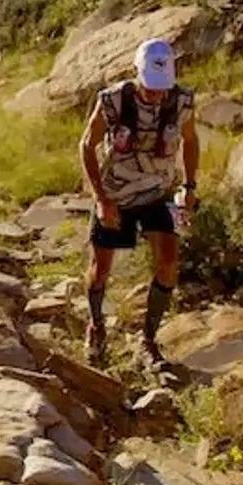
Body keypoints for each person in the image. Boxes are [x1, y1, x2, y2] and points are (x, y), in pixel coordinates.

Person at [79, 37, 198, 369]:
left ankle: (148, 339)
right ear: (137, 74)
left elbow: (190, 140)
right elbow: (86, 146)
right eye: (150, 88)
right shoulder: (112, 101)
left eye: (162, 88)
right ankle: (96, 324)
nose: (156, 94)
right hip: (116, 194)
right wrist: (101, 199)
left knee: (168, 263)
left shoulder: (182, 101)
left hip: (160, 193)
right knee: (100, 269)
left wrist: (189, 186)